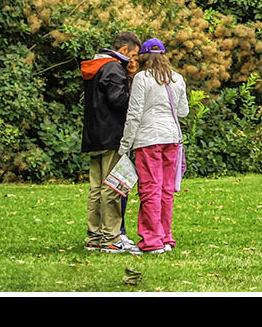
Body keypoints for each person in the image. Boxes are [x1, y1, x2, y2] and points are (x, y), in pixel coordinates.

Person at [119, 37, 189, 255]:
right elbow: (183, 111)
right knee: (166, 190)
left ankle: (152, 241)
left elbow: (134, 114)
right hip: (172, 138)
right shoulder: (177, 78)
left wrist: (125, 145)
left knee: (150, 188)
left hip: (148, 139)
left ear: (144, 57)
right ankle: (165, 237)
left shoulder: (142, 78)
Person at [80, 30, 141, 253]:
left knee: (96, 188)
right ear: (124, 50)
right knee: (112, 187)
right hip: (111, 136)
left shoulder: (95, 66)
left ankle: (94, 236)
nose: (133, 60)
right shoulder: (114, 68)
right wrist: (133, 93)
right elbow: (118, 101)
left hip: (94, 136)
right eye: (133, 55)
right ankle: (111, 237)